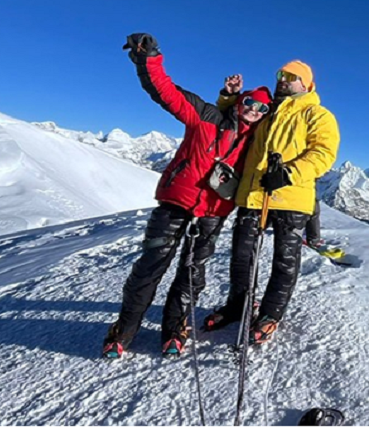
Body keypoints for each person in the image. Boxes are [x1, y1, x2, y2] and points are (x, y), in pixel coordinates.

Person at [102, 33, 273, 360]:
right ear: (241, 102)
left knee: (192, 273)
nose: (254, 110)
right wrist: (149, 59)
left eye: (262, 108)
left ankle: (174, 329)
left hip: (212, 213)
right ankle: (124, 330)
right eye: (250, 102)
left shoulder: (258, 146)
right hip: (176, 204)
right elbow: (167, 92)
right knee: (149, 267)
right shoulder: (206, 116)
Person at [204, 60, 340, 344]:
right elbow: (236, 117)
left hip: (291, 198)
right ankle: (238, 305)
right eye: (281, 74)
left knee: (285, 260)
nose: (283, 79)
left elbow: (323, 154)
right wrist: (228, 97)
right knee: (242, 256)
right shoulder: (267, 110)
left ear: (306, 84)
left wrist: (288, 173)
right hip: (254, 195)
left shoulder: (317, 115)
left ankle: (270, 314)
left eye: (291, 76)